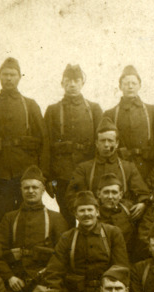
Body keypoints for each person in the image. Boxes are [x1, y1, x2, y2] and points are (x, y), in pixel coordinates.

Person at [0, 57, 49, 227]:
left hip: (25, 173)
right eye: (5, 74)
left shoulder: (30, 105)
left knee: (29, 217)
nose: (8, 78)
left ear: (19, 77)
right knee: (1, 218)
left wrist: (43, 174)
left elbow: (44, 140)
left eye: (12, 74)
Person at [0, 165, 69, 292]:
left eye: (35, 187)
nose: (30, 191)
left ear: (43, 190)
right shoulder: (10, 218)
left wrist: (48, 279)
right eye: (26, 188)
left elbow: (62, 255)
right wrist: (9, 277)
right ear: (21, 190)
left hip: (45, 282)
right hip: (16, 283)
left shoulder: (56, 218)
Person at [44, 191, 130, 292]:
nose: (86, 214)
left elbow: (121, 269)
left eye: (90, 210)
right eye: (82, 210)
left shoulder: (112, 233)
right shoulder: (67, 237)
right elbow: (54, 272)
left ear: (97, 212)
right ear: (76, 214)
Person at [45, 64, 103, 224]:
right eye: (68, 81)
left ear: (82, 83)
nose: (72, 84)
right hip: (62, 173)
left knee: (91, 214)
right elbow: (46, 145)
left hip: (88, 173)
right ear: (62, 83)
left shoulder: (94, 109)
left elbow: (102, 140)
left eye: (76, 80)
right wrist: (49, 177)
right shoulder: (53, 110)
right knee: (66, 217)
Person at [65, 117, 151, 216]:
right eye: (102, 140)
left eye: (110, 140)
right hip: (95, 218)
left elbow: (143, 193)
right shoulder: (84, 168)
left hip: (122, 217)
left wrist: (143, 203)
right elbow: (71, 196)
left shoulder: (128, 167)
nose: (106, 145)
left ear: (117, 143)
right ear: (96, 143)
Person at [104, 65, 154, 181]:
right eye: (126, 83)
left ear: (139, 86)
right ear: (120, 86)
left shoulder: (151, 111)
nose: (130, 87)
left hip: (148, 166)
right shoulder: (110, 114)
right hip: (121, 165)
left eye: (134, 83)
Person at [96, 172, 138, 254]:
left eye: (114, 192)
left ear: (120, 195)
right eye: (106, 192)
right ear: (98, 194)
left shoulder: (128, 208)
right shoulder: (92, 212)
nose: (110, 197)